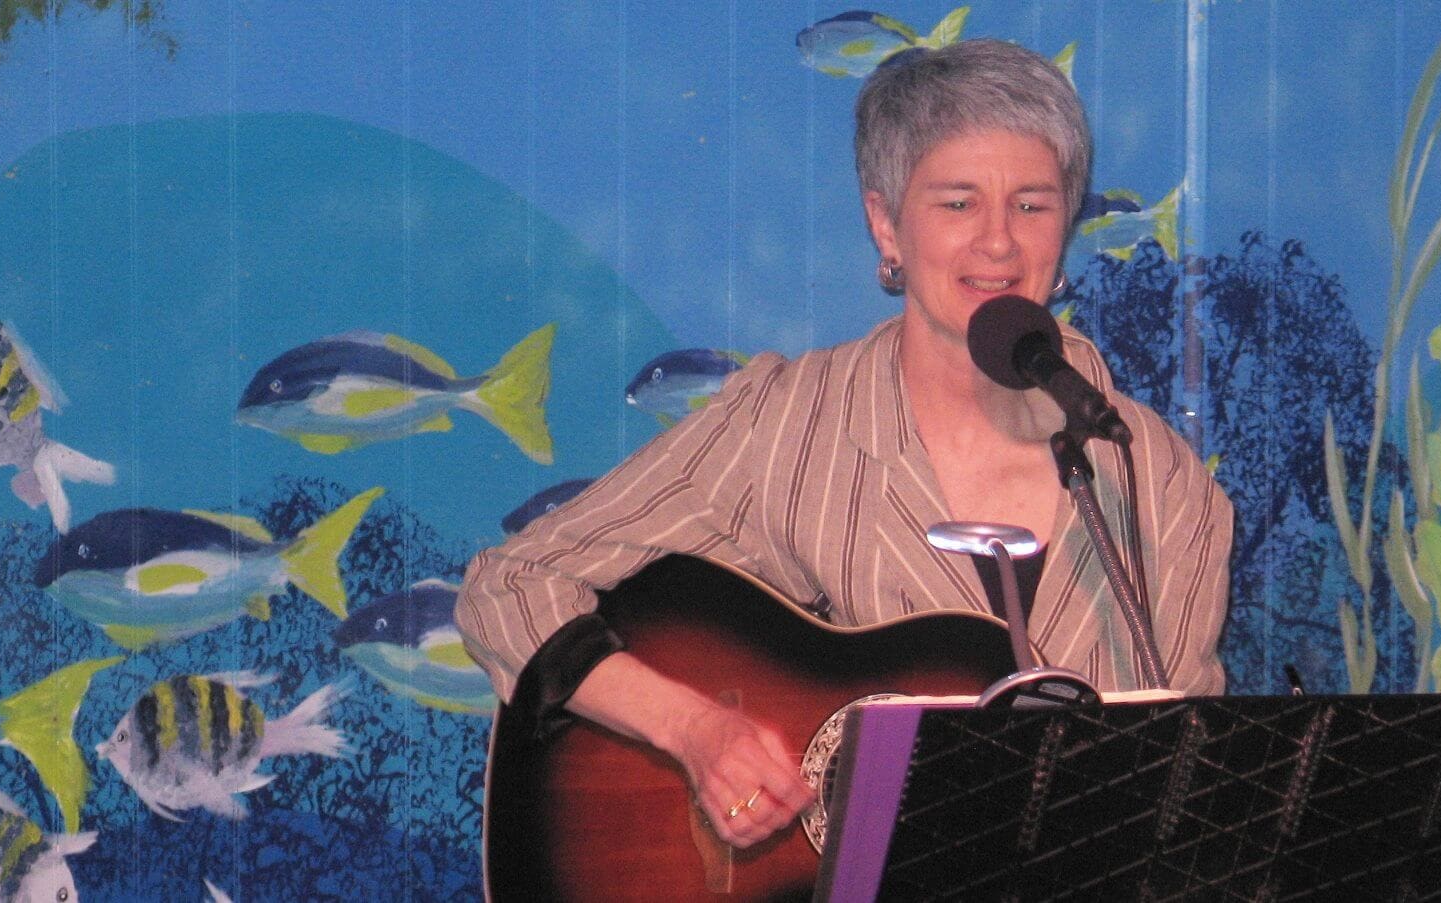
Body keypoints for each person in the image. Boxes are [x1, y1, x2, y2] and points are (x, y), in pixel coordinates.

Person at [455, 38, 1233, 851]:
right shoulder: (790, 423)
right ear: (884, 224)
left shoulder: (1164, 487)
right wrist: (695, 731)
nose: (999, 243)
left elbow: (1188, 798)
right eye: (958, 203)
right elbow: (512, 586)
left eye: (1032, 204)